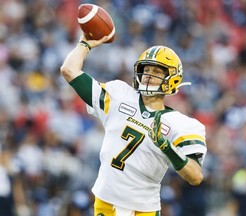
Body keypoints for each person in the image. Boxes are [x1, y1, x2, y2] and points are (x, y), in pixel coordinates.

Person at [60, 34, 207, 216]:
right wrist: (84, 44)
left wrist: (166, 147)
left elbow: (195, 177)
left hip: (143, 209)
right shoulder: (119, 95)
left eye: (156, 72)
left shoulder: (182, 125)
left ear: (172, 79)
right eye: (146, 70)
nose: (147, 76)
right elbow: (69, 70)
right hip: (105, 203)